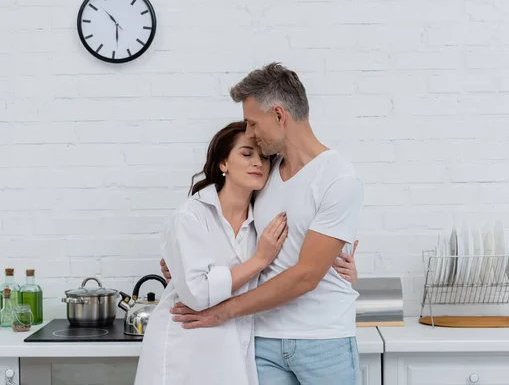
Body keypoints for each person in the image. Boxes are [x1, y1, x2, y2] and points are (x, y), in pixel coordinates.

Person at [166, 62, 364, 385]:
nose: (251, 133)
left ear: (279, 115)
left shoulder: (338, 179)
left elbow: (305, 276)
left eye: (253, 123)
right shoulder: (266, 175)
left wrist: (223, 311)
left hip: (324, 341)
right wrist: (182, 259)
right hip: (263, 342)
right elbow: (231, 229)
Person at [134, 121, 357, 385]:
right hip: (186, 342)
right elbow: (197, 293)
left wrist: (343, 268)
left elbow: (294, 265)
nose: (258, 163)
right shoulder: (191, 215)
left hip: (234, 349)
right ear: (223, 164)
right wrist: (259, 260)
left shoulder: (261, 221)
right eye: (246, 154)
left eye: (263, 157)